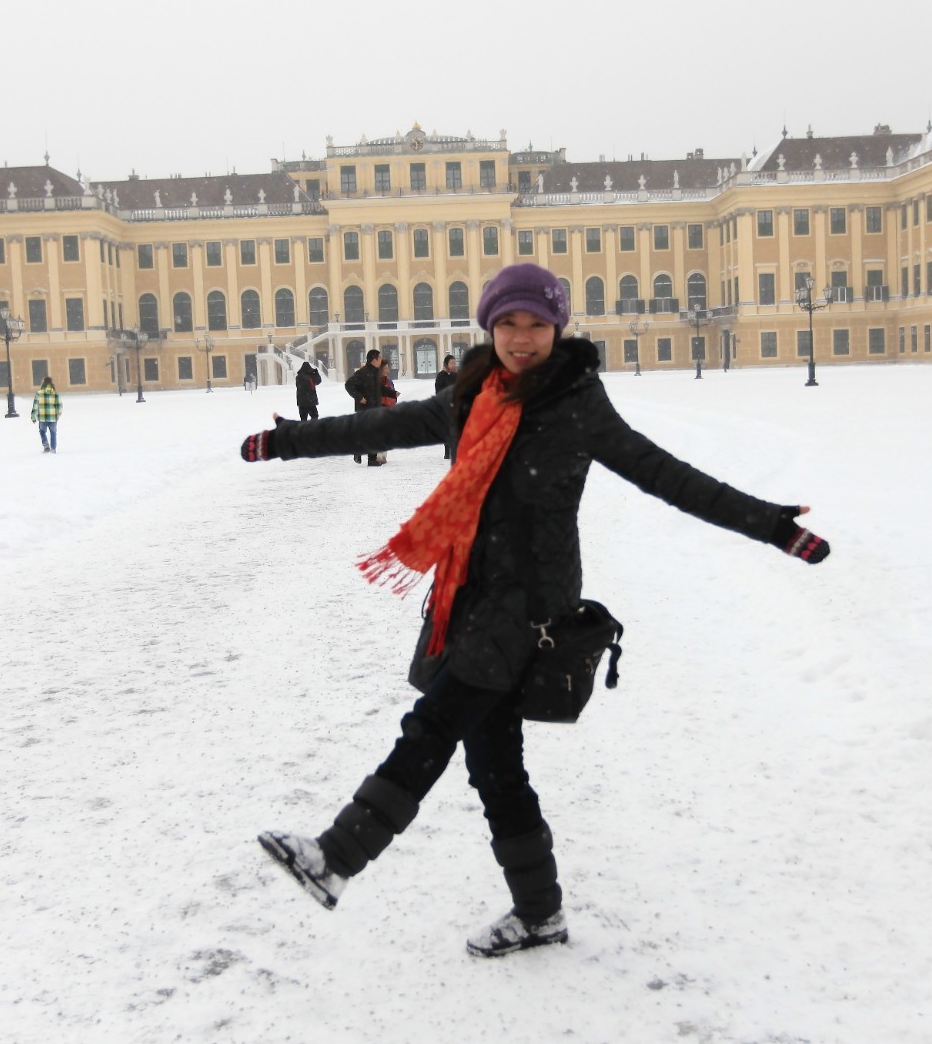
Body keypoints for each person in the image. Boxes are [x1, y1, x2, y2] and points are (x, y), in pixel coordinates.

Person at [238, 263, 829, 958]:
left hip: (528, 609)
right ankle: (539, 912)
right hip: (467, 593)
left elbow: (666, 474)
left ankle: (335, 857)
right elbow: (385, 423)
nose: (523, 337)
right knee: (494, 765)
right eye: (509, 323)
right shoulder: (472, 394)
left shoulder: (576, 404)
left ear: (558, 328)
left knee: (431, 727)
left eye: (538, 324)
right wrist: (286, 440)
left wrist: (768, 523)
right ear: (489, 326)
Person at [344, 349, 386, 465]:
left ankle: (370, 458)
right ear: (374, 359)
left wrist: (392, 393)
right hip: (364, 408)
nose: (381, 360)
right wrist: (359, 397)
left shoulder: (376, 372)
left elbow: (380, 388)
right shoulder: (362, 373)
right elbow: (348, 385)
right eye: (379, 358)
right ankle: (364, 454)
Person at [433, 354, 459, 461]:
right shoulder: (441, 376)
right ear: (446, 364)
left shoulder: (456, 375)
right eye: (452, 363)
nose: (454, 365)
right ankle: (447, 450)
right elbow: (438, 390)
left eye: (454, 363)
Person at [32, 375, 62, 452]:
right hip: (53, 417)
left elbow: (35, 406)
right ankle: (53, 449)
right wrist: (57, 416)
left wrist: (33, 416)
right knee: (53, 433)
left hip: (42, 417)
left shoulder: (39, 393)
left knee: (42, 431)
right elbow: (60, 406)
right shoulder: (55, 394)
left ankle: (46, 445)